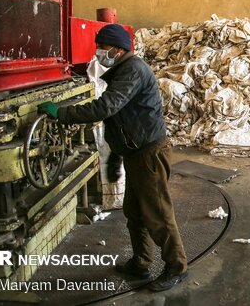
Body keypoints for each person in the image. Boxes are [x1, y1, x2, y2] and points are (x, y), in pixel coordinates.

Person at [37, 23, 188, 291]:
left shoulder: (133, 70)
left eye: (102, 48)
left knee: (158, 213)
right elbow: (120, 117)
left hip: (149, 154)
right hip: (135, 152)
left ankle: (177, 267)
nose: (98, 53)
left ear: (118, 49)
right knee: (135, 212)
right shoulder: (122, 70)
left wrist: (62, 113)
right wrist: (117, 156)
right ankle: (141, 263)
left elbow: (107, 107)